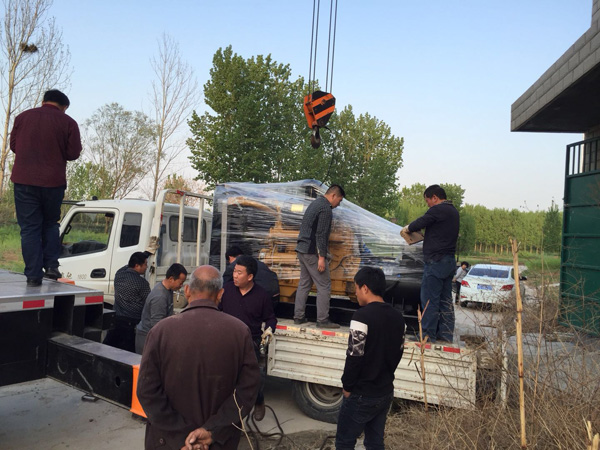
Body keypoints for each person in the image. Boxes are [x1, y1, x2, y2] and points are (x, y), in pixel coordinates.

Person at [137, 265, 260, 450]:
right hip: (218, 443)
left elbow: (146, 391)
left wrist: (182, 437)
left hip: (168, 443)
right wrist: (212, 431)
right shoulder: (239, 332)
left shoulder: (160, 331)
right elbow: (248, 390)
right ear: (220, 294)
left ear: (187, 290)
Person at [10, 89, 82, 287]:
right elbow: (73, 153)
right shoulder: (68, 122)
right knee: (50, 223)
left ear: (44, 101)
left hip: (24, 181)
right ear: (64, 106)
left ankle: (33, 276)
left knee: (30, 228)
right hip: (53, 182)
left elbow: (14, 146)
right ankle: (51, 267)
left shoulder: (22, 117)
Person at [335, 266, 405, 450]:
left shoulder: (361, 317)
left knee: (344, 442)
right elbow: (398, 352)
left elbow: (354, 356)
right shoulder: (398, 317)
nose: (356, 293)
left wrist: (347, 387)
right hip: (385, 391)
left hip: (361, 393)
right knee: (375, 443)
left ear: (365, 288)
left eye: (356, 288)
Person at [220, 255, 277, 421]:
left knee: (253, 378)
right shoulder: (226, 290)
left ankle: (259, 401)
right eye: (234, 271)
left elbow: (271, 318)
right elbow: (216, 310)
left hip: (250, 342)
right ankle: (230, 414)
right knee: (226, 379)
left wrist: (269, 330)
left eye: (239, 272)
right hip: (227, 341)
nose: (235, 275)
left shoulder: (262, 296)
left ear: (250, 276)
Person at [404, 185, 459, 343]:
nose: (427, 204)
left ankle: (427, 336)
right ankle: (446, 335)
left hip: (436, 261)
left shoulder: (437, 210)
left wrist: (407, 228)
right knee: (445, 300)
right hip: (449, 261)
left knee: (430, 300)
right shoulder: (453, 211)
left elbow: (417, 225)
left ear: (435, 197)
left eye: (427, 200)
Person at [294, 184, 345, 329]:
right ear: (333, 196)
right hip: (312, 252)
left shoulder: (315, 203)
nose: (338, 204)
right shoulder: (325, 209)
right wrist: (322, 257)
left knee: (304, 283)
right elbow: (321, 235)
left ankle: (298, 317)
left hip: (302, 249)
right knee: (324, 285)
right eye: (339, 200)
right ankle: (322, 320)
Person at [134, 263, 188, 354]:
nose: (181, 286)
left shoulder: (168, 290)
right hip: (148, 339)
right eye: (180, 283)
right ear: (171, 279)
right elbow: (157, 326)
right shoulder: (160, 297)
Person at [103, 252, 151, 352]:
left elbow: (127, 266)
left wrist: (144, 254)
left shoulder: (119, 274)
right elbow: (148, 302)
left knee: (108, 350)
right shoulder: (142, 283)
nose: (146, 267)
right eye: (145, 264)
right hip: (131, 323)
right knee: (128, 354)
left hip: (116, 319)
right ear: (137, 265)